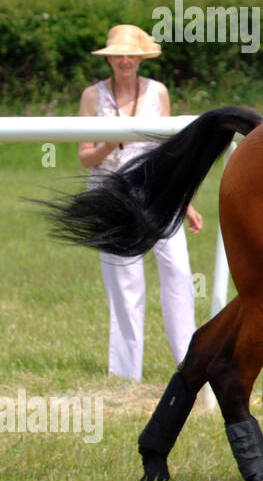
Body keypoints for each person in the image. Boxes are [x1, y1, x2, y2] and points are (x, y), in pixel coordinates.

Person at [77, 24, 201, 382]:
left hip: (155, 191)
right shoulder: (92, 96)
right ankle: (125, 377)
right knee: (125, 283)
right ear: (110, 58)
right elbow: (85, 157)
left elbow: (167, 152)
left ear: (142, 58)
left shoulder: (157, 93)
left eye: (131, 54)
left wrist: (185, 201)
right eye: (118, 54)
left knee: (178, 271)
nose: (124, 60)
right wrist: (106, 144)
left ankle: (189, 365)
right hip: (110, 194)